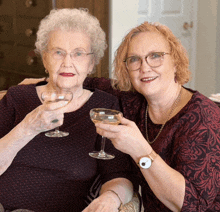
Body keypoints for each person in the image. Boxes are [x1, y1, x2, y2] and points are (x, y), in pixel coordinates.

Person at [2, 21, 220, 212]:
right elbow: (81, 79)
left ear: (176, 60)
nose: (145, 67)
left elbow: (191, 206)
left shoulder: (204, 117)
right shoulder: (132, 102)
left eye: (155, 56)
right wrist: (44, 82)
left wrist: (140, 150)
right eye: (134, 59)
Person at [0, 8, 134, 212]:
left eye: (78, 53)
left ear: (91, 63)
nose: (67, 62)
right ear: (45, 59)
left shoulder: (105, 107)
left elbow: (118, 174)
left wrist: (111, 198)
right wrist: (27, 127)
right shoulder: (18, 98)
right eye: (58, 52)